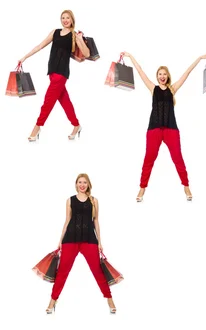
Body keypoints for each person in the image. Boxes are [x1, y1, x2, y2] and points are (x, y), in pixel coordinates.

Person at [120, 52, 206, 202]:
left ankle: (186, 185)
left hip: (171, 129)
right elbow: (140, 71)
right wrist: (130, 57)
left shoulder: (172, 89)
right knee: (149, 159)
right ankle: (142, 187)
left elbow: (187, 73)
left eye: (164, 74)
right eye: (159, 74)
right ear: (157, 77)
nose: (162, 76)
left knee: (178, 158)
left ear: (167, 76)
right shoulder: (153, 88)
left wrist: (199, 58)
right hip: (154, 129)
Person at [46, 174, 116, 314]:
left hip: (89, 239)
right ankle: (52, 301)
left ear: (88, 184)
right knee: (62, 272)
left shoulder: (94, 200)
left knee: (97, 271)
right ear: (76, 184)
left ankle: (109, 299)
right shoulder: (70, 200)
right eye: (80, 182)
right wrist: (60, 240)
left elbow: (96, 221)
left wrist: (100, 242)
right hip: (70, 240)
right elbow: (67, 221)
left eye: (85, 182)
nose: (82, 185)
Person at [19, 10, 89, 142]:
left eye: (68, 18)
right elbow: (40, 46)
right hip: (51, 71)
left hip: (61, 73)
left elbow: (86, 54)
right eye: (63, 18)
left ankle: (37, 127)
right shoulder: (55, 32)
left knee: (48, 101)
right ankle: (76, 125)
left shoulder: (74, 36)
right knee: (65, 101)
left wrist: (80, 39)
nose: (65, 20)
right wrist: (25, 57)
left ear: (72, 20)